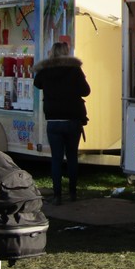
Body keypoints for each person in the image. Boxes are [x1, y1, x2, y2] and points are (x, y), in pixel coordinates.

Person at [33, 41, 90, 206]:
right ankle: (73, 192)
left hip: (54, 120)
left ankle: (57, 195)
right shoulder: (74, 69)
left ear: (52, 53)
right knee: (72, 157)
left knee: (56, 159)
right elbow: (86, 91)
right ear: (67, 53)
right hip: (73, 119)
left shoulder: (46, 70)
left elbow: (37, 84)